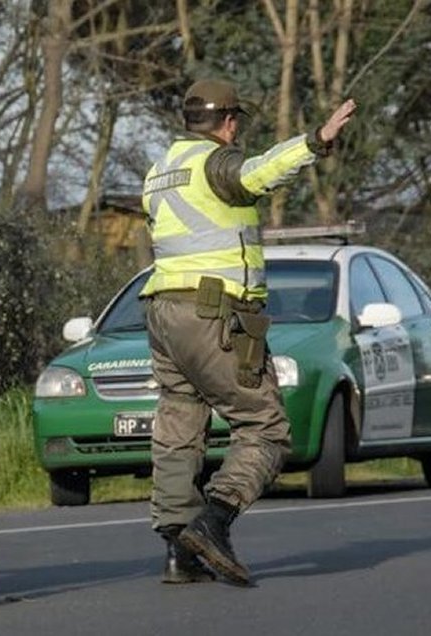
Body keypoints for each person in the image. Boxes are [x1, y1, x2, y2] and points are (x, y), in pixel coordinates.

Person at [139, 79, 355, 586]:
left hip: (162, 312)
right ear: (230, 123)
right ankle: (214, 521)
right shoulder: (217, 163)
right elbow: (258, 173)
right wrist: (315, 141)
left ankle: (178, 551)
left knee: (179, 424)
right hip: (214, 312)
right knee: (265, 427)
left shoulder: (159, 171)